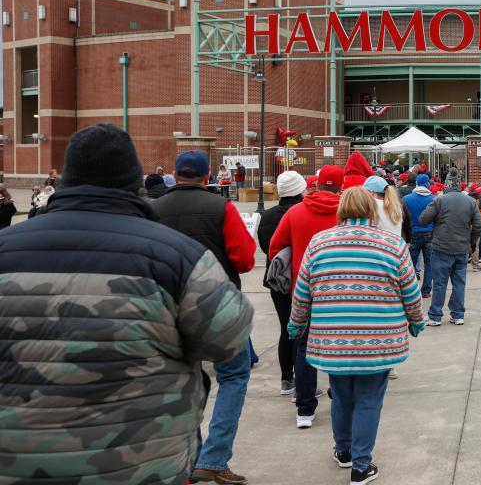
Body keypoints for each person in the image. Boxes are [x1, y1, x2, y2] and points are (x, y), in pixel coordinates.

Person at [0, 123, 253, 484]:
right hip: (140, 463)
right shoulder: (178, 255)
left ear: (66, 178)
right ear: (133, 179)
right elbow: (228, 338)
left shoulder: (5, 247)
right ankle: (212, 458)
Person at [288, 187, 426, 485]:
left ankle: (344, 451)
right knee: (368, 400)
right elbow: (410, 290)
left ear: (341, 210)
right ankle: (361, 466)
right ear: (371, 210)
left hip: (332, 340)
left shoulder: (319, 244)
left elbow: (302, 292)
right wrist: (416, 321)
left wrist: (296, 324)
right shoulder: (392, 244)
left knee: (340, 397)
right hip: (378, 340)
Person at [153, 150, 256, 484]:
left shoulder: (152, 210)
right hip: (217, 303)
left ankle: (186, 460)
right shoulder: (221, 207)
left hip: (167, 306)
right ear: (208, 175)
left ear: (174, 174)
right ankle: (213, 458)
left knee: (180, 381)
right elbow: (243, 258)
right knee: (234, 376)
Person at [269, 165, 343, 429]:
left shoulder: (294, 212)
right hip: (338, 290)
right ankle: (340, 397)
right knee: (340, 346)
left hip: (303, 288)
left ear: (316, 184)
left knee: (303, 348)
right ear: (341, 185)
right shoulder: (346, 212)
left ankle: (305, 409)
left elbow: (275, 247)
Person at [256, 170, 307, 397]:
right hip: (300, 278)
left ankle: (286, 379)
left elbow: (266, 248)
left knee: (285, 328)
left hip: (276, 280)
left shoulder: (266, 217)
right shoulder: (301, 213)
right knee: (303, 330)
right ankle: (304, 379)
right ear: (299, 190)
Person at [418, 167, 481, 325]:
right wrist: (472, 243)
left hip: (441, 248)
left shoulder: (439, 200)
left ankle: (435, 316)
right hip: (462, 248)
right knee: (459, 283)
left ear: (447, 183)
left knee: (440, 283)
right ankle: (458, 314)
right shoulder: (470, 201)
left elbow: (422, 220)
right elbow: (479, 225)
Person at [404, 173, 436, 295]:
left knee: (410, 263)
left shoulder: (407, 199)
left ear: (417, 184)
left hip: (413, 234)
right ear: (427, 184)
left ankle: (410, 289)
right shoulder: (433, 199)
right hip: (430, 233)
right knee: (429, 263)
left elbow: (403, 219)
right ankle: (426, 290)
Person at [364, 175, 412, 242]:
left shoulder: (371, 206)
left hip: (380, 249)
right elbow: (407, 224)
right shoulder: (397, 205)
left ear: (372, 193)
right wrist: (408, 241)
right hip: (396, 247)